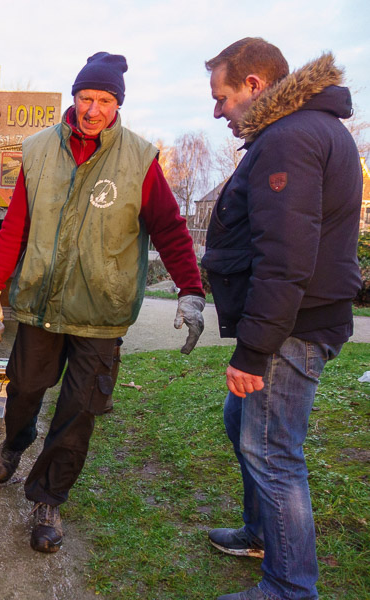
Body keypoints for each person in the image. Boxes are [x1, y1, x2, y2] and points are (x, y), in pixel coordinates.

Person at [0, 52, 205, 553]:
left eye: (104, 100)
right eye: (86, 98)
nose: (93, 109)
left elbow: (169, 228)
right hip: (40, 304)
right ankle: (15, 442)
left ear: (117, 104)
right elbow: (16, 226)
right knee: (24, 390)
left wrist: (190, 289)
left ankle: (47, 498)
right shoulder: (38, 151)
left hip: (102, 312)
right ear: (74, 98)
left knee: (80, 410)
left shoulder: (140, 159)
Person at [202, 38, 362, 600]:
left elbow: (287, 257)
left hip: (292, 327)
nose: (217, 111)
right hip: (297, 318)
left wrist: (252, 351)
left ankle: (290, 587)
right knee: (239, 422)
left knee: (272, 451)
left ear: (253, 86)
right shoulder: (307, 129)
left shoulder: (290, 138)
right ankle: (262, 534)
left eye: (221, 97)